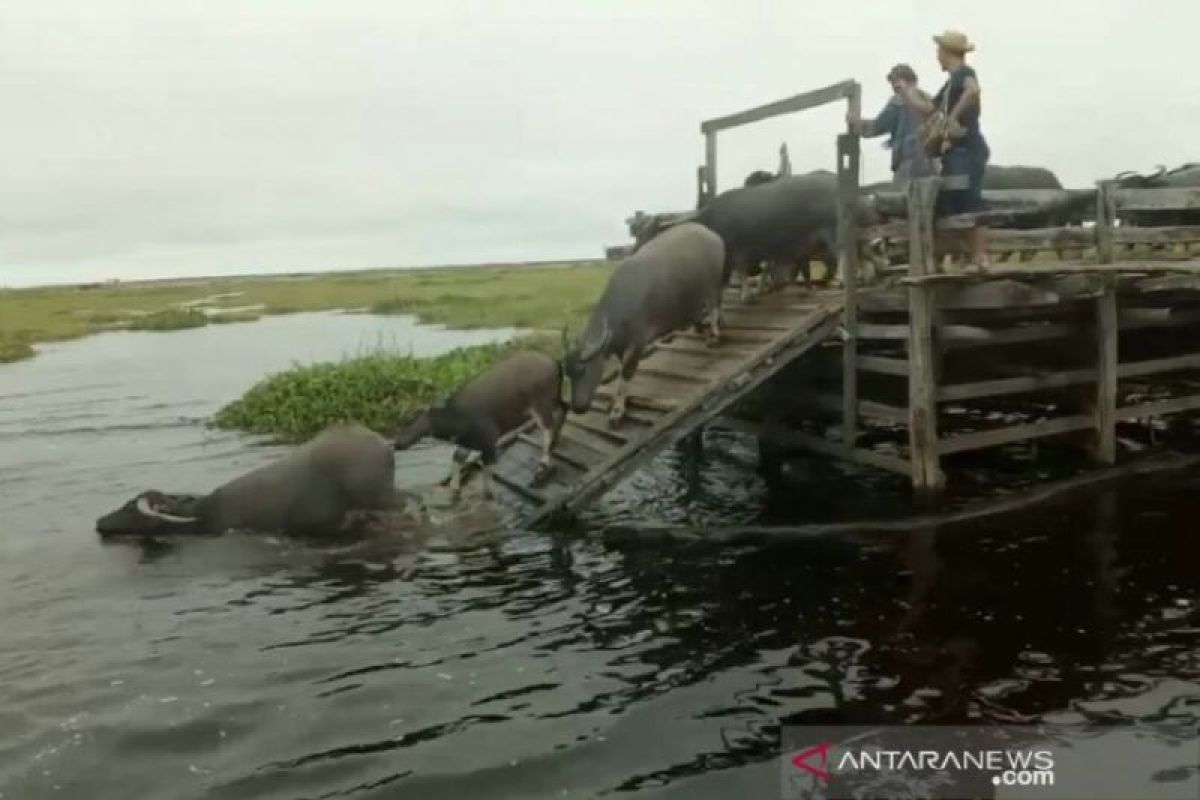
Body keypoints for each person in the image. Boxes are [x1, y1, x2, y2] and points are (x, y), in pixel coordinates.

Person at [900, 30, 991, 271]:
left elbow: (973, 91)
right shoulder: (950, 84)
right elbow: (929, 107)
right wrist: (907, 92)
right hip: (955, 152)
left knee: (970, 199)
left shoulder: (965, 74)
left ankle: (980, 258)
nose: (937, 57)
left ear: (946, 52)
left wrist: (952, 117)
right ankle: (966, 257)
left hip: (967, 148)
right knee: (954, 200)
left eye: (939, 52)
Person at [848, 63, 936, 183]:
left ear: (900, 80)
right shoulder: (929, 99)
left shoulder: (899, 99)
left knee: (902, 198)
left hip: (909, 163)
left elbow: (877, 127)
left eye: (893, 82)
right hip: (932, 164)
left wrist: (856, 122)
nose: (893, 87)